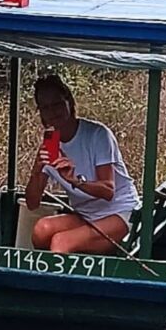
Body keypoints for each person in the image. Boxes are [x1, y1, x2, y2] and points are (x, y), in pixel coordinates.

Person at [24, 74, 141, 254]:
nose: (52, 113)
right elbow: (32, 203)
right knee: (42, 230)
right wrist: (36, 170)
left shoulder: (97, 135)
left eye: (57, 104)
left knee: (61, 243)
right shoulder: (51, 141)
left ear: (69, 102)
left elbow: (108, 191)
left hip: (120, 213)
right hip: (86, 215)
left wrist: (75, 181)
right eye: (45, 108)